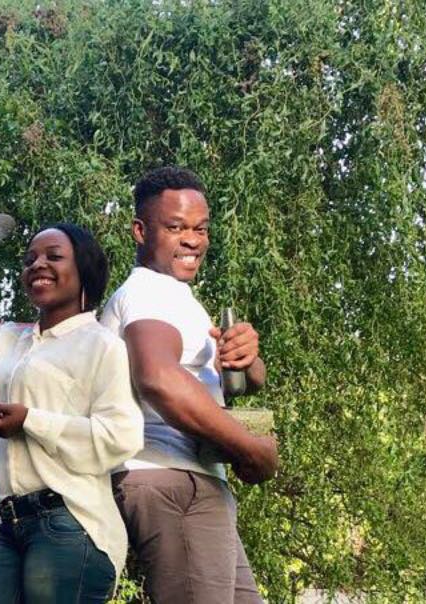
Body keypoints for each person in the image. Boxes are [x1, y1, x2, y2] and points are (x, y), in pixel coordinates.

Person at [0, 168, 144, 603]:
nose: (37, 264)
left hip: (72, 523)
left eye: (53, 256)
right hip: (11, 526)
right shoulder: (6, 342)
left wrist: (31, 421)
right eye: (30, 258)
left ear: (84, 269)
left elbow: (121, 438)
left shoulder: (102, 345)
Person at [101, 166, 279, 604]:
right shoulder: (147, 292)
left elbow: (239, 383)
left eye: (201, 228)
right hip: (169, 477)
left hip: (192, 478)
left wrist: (248, 360)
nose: (193, 240)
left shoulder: (175, 297)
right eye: (176, 227)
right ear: (140, 231)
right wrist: (248, 448)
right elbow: (159, 380)